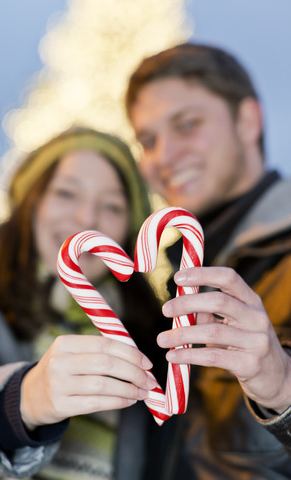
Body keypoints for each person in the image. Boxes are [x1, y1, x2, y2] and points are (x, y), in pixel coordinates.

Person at [125, 42, 291, 479]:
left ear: (248, 120)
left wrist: (283, 388)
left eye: (187, 124)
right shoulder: (162, 278)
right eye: (148, 140)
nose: (164, 156)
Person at [0, 126, 170, 479]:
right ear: (31, 203)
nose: (87, 219)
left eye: (111, 205)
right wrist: (26, 398)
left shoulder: (156, 338)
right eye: (66, 194)